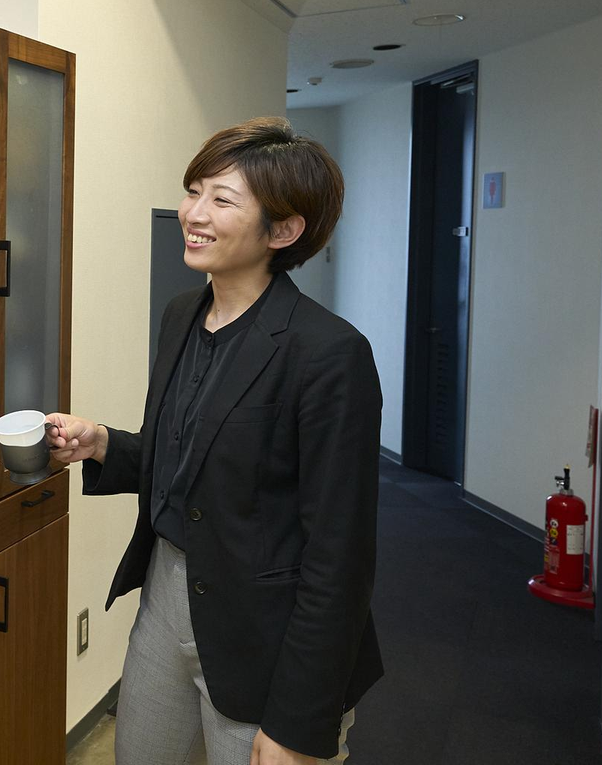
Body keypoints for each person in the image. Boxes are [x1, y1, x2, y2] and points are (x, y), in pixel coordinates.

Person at [47, 117, 382, 765]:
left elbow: (340, 557)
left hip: (268, 625)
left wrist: (298, 723)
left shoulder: (328, 353)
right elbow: (195, 464)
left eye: (221, 199)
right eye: (193, 190)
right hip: (167, 592)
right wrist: (101, 443)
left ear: (283, 231)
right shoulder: (182, 314)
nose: (193, 213)